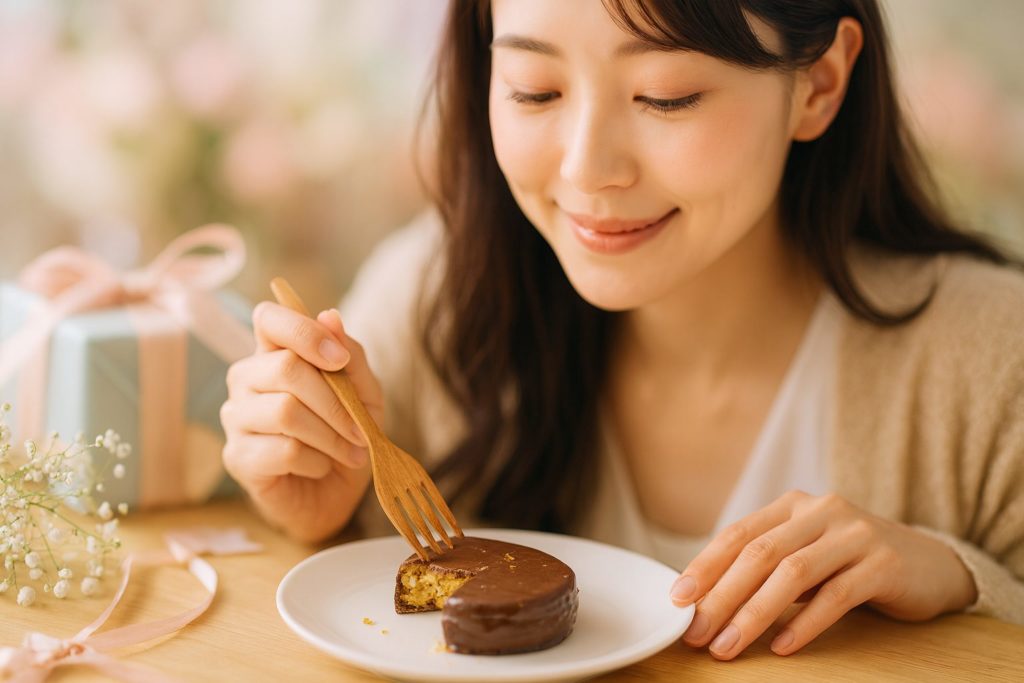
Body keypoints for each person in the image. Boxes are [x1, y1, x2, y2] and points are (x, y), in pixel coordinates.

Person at [220, 0, 1024, 661]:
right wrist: (317, 512)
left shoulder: (992, 360)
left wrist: (958, 579)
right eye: (536, 89)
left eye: (666, 95)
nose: (586, 168)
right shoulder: (436, 298)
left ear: (818, 84)